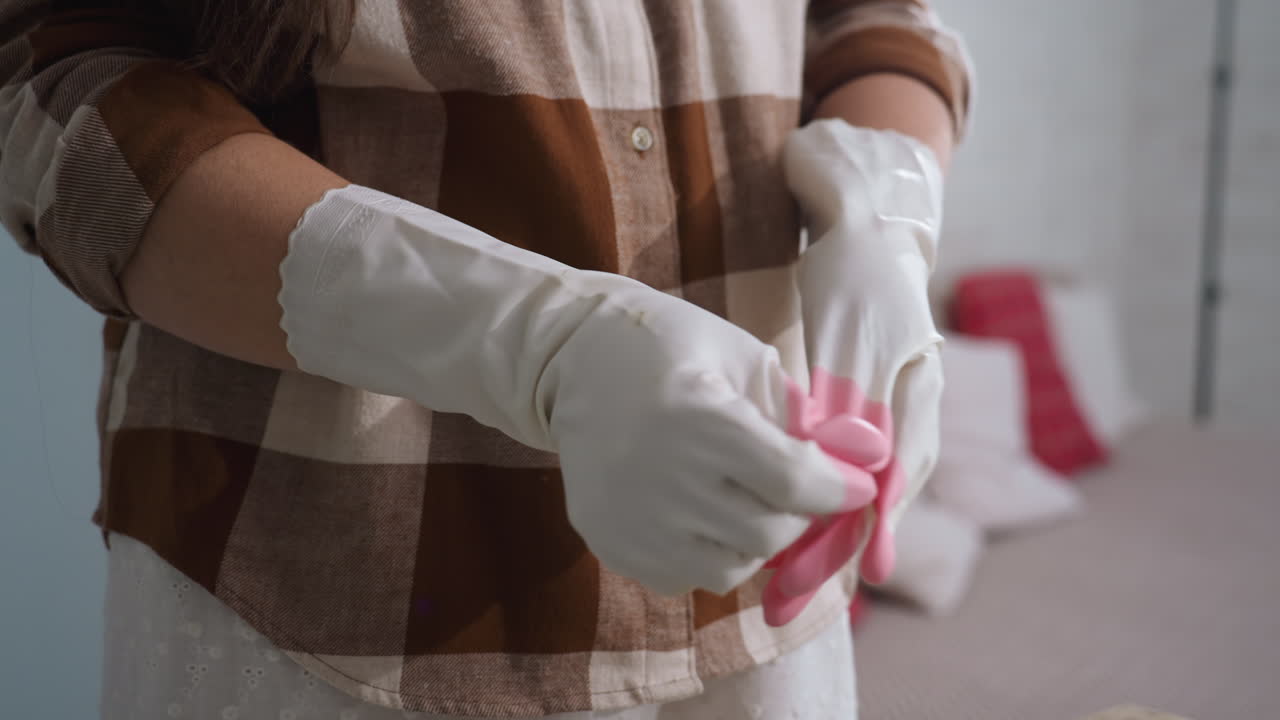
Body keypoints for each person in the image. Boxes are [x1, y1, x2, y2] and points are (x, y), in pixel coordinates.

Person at [0, 1, 970, 717]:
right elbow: (52, 80)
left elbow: (875, 16)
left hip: (760, 617)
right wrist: (533, 344)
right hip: (328, 607)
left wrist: (884, 207)